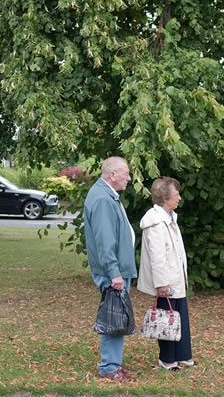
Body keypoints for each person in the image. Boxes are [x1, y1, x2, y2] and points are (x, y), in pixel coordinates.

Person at [83, 156, 137, 382]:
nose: (129, 178)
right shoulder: (103, 199)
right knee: (112, 317)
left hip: (115, 269)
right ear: (112, 175)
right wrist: (114, 272)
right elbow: (105, 241)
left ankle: (114, 363)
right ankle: (108, 367)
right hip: (112, 271)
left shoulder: (105, 195)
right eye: (126, 173)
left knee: (115, 316)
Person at [137, 176, 194, 371]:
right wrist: (161, 284)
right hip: (166, 280)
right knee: (167, 318)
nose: (179, 198)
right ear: (165, 198)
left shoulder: (170, 217)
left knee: (180, 316)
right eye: (176, 195)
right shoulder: (155, 222)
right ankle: (167, 359)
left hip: (176, 277)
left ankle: (182, 354)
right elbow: (157, 256)